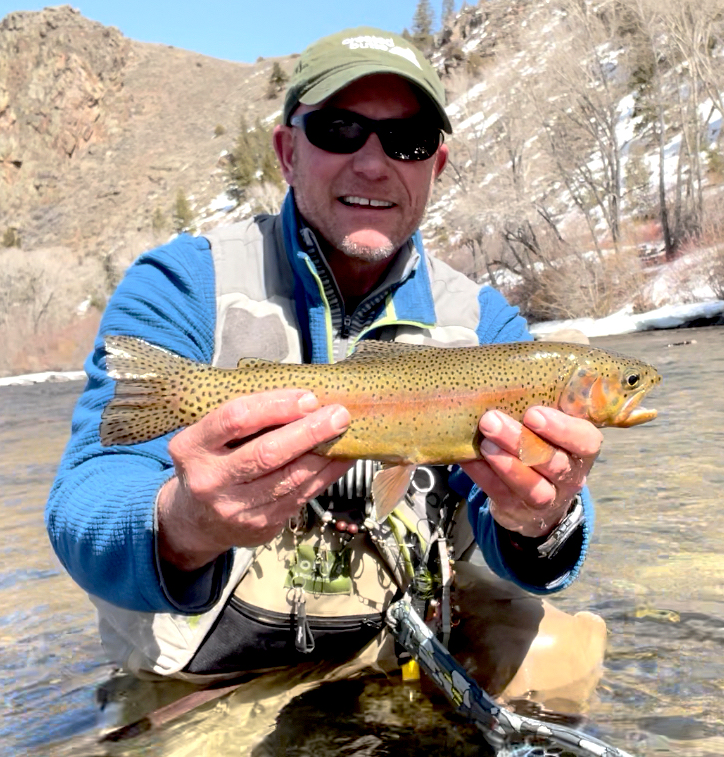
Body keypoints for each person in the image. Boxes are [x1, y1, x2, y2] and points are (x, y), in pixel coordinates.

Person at [46, 26, 606, 717]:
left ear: (436, 164)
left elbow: (519, 541)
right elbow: (85, 501)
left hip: (397, 639)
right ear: (286, 151)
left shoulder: (484, 326)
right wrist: (183, 522)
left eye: (407, 140)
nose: (373, 164)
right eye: (339, 130)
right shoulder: (184, 284)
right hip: (208, 673)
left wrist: (540, 518)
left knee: (561, 659)